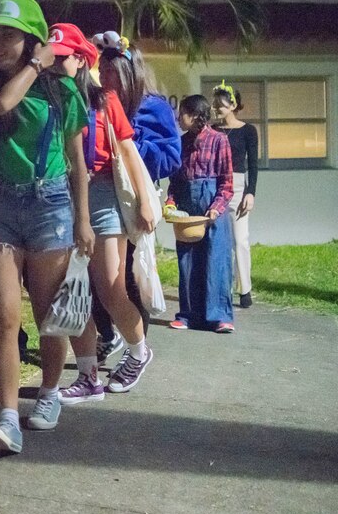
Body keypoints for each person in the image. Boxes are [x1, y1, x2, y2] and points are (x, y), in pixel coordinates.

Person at [0, 0, 93, 454]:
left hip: (51, 202)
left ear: (31, 38)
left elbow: (79, 160)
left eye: (8, 35)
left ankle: (52, 390)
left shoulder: (65, 91)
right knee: (4, 319)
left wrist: (84, 221)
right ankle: (8, 417)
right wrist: (37, 64)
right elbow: (1, 104)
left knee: (48, 317)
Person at [46, 23, 157, 404]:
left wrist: (144, 199)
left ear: (81, 60)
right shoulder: (46, 97)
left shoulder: (104, 99)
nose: (55, 64)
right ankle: (88, 375)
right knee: (74, 289)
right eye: (52, 57)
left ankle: (139, 351)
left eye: (63, 58)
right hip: (61, 194)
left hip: (104, 191)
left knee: (110, 288)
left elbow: (128, 151)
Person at [90, 31, 182, 363]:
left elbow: (171, 156)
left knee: (128, 277)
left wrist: (129, 144)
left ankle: (136, 350)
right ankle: (109, 334)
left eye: (110, 71)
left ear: (129, 73)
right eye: (101, 70)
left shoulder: (153, 107)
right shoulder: (96, 103)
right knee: (97, 277)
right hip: (100, 197)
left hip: (132, 198)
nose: (103, 76)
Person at [166, 95, 235, 333]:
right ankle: (188, 315)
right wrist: (171, 204)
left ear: (194, 115)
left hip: (212, 208)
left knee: (216, 261)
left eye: (182, 113)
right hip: (187, 208)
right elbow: (174, 181)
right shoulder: (182, 142)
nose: (178, 118)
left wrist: (216, 208)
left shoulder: (219, 141)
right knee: (188, 262)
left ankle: (220, 316)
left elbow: (227, 184)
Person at [212, 81, 258, 309]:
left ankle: (245, 289)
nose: (217, 108)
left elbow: (253, 165)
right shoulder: (213, 130)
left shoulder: (248, 130)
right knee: (221, 242)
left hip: (239, 187)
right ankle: (224, 289)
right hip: (218, 186)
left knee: (241, 240)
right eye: (215, 104)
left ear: (233, 105)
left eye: (220, 104)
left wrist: (251, 193)